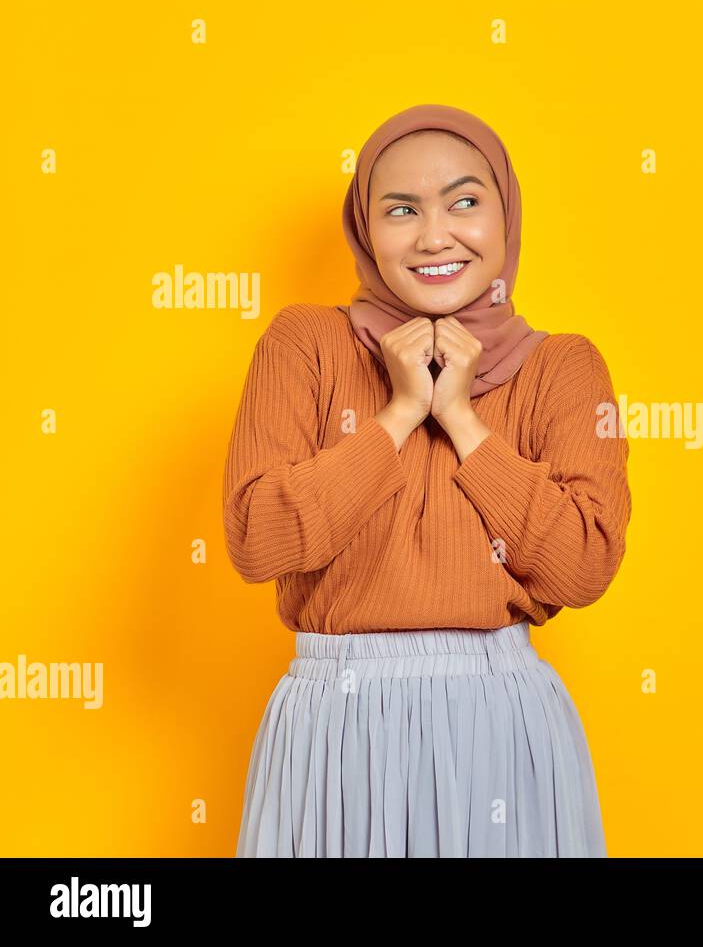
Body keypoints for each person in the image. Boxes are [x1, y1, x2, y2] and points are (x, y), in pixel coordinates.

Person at [221, 104, 631, 857]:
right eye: (401, 210)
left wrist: (465, 424)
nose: (435, 235)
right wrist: (402, 413)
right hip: (332, 722)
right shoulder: (303, 344)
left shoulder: (563, 368)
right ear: (365, 232)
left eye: (465, 202)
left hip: (498, 721)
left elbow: (584, 564)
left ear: (506, 217)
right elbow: (258, 539)